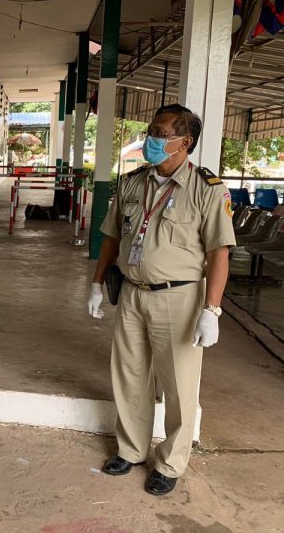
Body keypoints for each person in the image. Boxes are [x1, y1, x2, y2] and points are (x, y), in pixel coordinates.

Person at [87, 104, 235, 496]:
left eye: (159, 133)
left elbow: (219, 253)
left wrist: (212, 310)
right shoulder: (132, 183)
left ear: (184, 142)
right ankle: (131, 449)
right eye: (151, 131)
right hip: (132, 293)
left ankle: (170, 462)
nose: (150, 139)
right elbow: (112, 238)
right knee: (129, 374)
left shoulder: (208, 189)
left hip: (179, 298)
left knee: (179, 384)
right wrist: (97, 284)